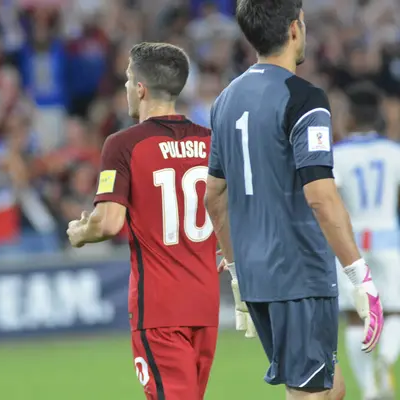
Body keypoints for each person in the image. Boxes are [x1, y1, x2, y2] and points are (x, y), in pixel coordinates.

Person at [205, 1, 384, 400]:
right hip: (299, 274)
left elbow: (214, 196)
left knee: (328, 387)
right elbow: (320, 195)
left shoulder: (224, 101)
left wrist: (236, 273)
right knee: (311, 395)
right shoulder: (304, 98)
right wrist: (359, 275)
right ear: (293, 29)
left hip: (257, 277)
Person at [67, 42, 219, 399]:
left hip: (160, 309)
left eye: (126, 80)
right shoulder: (211, 141)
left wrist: (80, 232)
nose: (124, 89)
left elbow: (108, 223)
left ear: (140, 88)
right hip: (205, 303)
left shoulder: (123, 145)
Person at [333, 82, 400, 400]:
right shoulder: (393, 152)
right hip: (389, 240)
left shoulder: (338, 154)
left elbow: (327, 199)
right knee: (395, 312)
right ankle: (385, 361)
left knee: (354, 315)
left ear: (350, 117)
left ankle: (370, 390)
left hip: (351, 244)